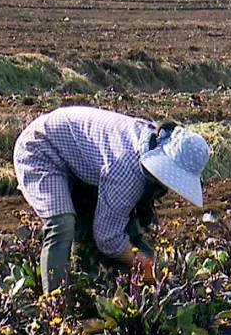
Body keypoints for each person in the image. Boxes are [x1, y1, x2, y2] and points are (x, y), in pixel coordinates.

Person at [13, 106, 210, 293]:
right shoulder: (127, 171)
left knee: (103, 224)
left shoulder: (155, 141)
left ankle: (87, 282)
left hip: (78, 155)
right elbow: (108, 238)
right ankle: (54, 304)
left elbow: (121, 218)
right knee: (62, 224)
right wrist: (144, 264)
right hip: (40, 148)